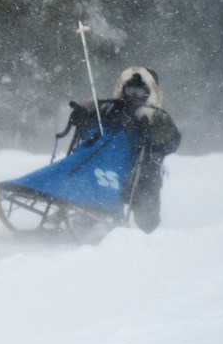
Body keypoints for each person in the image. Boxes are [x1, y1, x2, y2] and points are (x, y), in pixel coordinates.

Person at [67, 66, 181, 233]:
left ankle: (149, 238)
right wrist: (84, 112)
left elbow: (172, 141)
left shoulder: (157, 117)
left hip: (142, 174)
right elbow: (89, 128)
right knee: (88, 183)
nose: (134, 96)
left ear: (150, 93)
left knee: (147, 207)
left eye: (140, 92)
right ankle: (85, 222)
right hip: (107, 168)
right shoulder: (110, 109)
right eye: (130, 90)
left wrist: (151, 129)